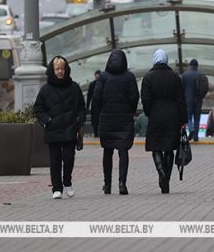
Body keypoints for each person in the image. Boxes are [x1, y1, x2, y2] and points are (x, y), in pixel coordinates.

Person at [34, 56, 86, 200]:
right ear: (52, 70)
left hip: (70, 127)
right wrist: (47, 121)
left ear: (66, 69)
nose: (60, 71)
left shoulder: (74, 87)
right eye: (57, 69)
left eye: (62, 68)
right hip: (53, 128)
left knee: (69, 158)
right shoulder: (45, 89)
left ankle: (67, 182)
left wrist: (79, 120)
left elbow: (81, 107)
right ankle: (57, 188)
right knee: (55, 160)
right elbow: (38, 108)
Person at [91, 50, 139, 195]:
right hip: (124, 119)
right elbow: (134, 97)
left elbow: (96, 98)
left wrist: (99, 115)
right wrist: (129, 111)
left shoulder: (103, 77)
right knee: (123, 151)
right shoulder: (129, 77)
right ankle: (122, 183)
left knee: (107, 151)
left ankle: (107, 185)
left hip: (107, 119)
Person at [141, 49, 187, 194]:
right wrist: (183, 119)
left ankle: (161, 172)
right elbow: (181, 100)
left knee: (156, 146)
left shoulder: (148, 77)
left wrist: (149, 112)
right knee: (169, 148)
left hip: (156, 114)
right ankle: (166, 177)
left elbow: (145, 100)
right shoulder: (175, 77)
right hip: (173, 115)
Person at [181, 59, 204, 142]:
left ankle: (191, 129)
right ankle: (196, 136)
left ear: (190, 65)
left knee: (188, 116)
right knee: (197, 118)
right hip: (198, 100)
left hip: (188, 100)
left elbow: (181, 88)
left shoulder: (185, 75)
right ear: (197, 66)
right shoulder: (201, 75)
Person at [86, 70, 101, 137]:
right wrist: (87, 107)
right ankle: (96, 133)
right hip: (95, 105)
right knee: (95, 120)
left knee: (98, 120)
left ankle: (97, 133)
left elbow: (89, 96)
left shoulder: (94, 84)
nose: (97, 77)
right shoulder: (92, 84)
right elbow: (89, 96)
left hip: (99, 105)